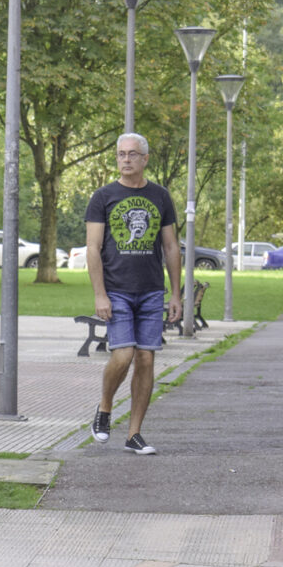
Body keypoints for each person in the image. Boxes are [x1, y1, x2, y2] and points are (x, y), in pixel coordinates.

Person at [85, 133, 182, 456]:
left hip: (152, 292)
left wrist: (176, 294)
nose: (125, 160)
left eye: (132, 154)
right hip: (117, 291)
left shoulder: (160, 197)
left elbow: (170, 246)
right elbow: (93, 248)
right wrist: (100, 294)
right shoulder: (103, 196)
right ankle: (105, 408)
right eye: (120, 154)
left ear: (145, 159)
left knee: (146, 358)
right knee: (124, 354)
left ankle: (134, 434)